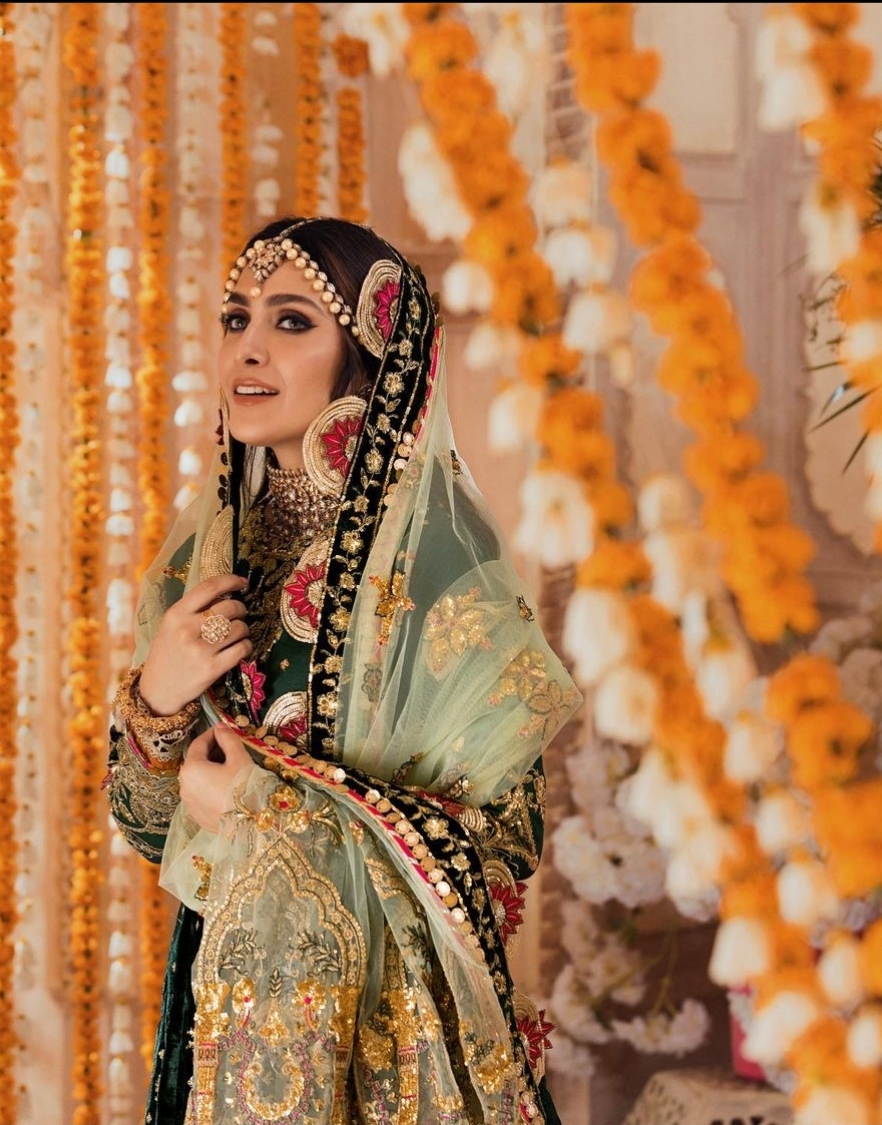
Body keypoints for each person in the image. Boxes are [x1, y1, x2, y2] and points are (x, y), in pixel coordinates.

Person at [104, 215, 582, 1125]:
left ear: (367, 356)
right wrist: (156, 701)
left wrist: (267, 812)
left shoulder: (436, 561)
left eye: (291, 321)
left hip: (390, 1050)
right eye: (235, 317)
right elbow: (150, 827)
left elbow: (500, 846)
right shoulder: (205, 562)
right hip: (226, 1012)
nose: (247, 347)